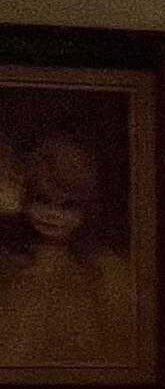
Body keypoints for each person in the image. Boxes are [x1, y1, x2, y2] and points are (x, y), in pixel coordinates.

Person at [0, 132, 138, 369]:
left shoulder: (103, 269)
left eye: (69, 205)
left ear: (87, 211)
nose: (53, 214)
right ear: (26, 200)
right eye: (42, 200)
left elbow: (119, 346)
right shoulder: (10, 262)